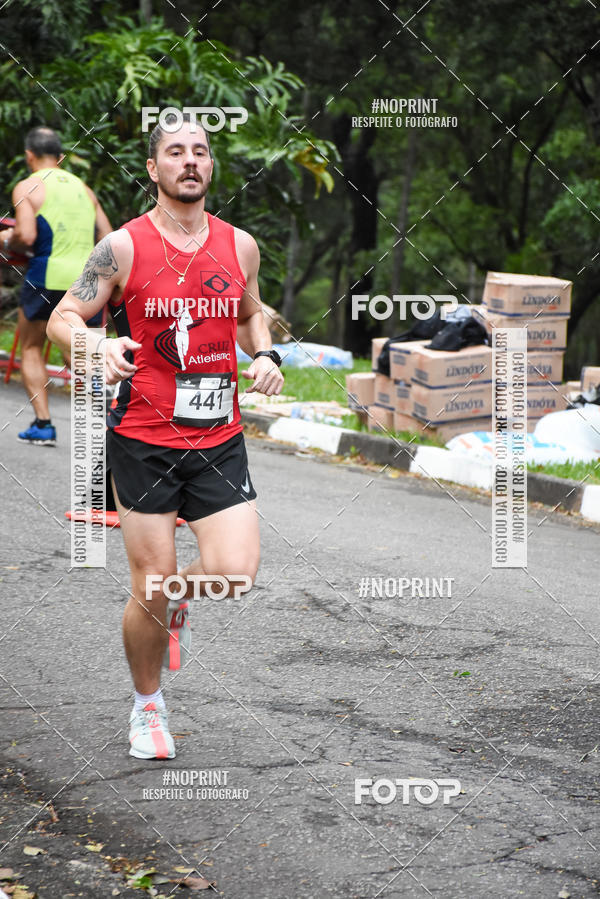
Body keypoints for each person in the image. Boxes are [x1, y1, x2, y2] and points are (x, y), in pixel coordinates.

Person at [47, 113, 284, 759]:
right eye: (174, 152)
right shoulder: (120, 247)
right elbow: (62, 318)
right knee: (148, 583)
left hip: (219, 436)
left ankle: (173, 600)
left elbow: (250, 311)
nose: (189, 161)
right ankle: (147, 707)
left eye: (200, 152)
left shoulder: (240, 246)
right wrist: (99, 345)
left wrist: (265, 355)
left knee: (234, 574)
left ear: (210, 167)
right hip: (144, 437)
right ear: (152, 169)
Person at [0, 126, 112, 445]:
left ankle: (44, 425)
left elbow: (26, 235)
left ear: (29, 156)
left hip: (45, 277)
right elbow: (107, 236)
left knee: (32, 347)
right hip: (86, 284)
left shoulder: (29, 185)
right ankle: (106, 428)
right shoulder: (84, 189)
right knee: (82, 352)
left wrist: (6, 237)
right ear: (60, 157)